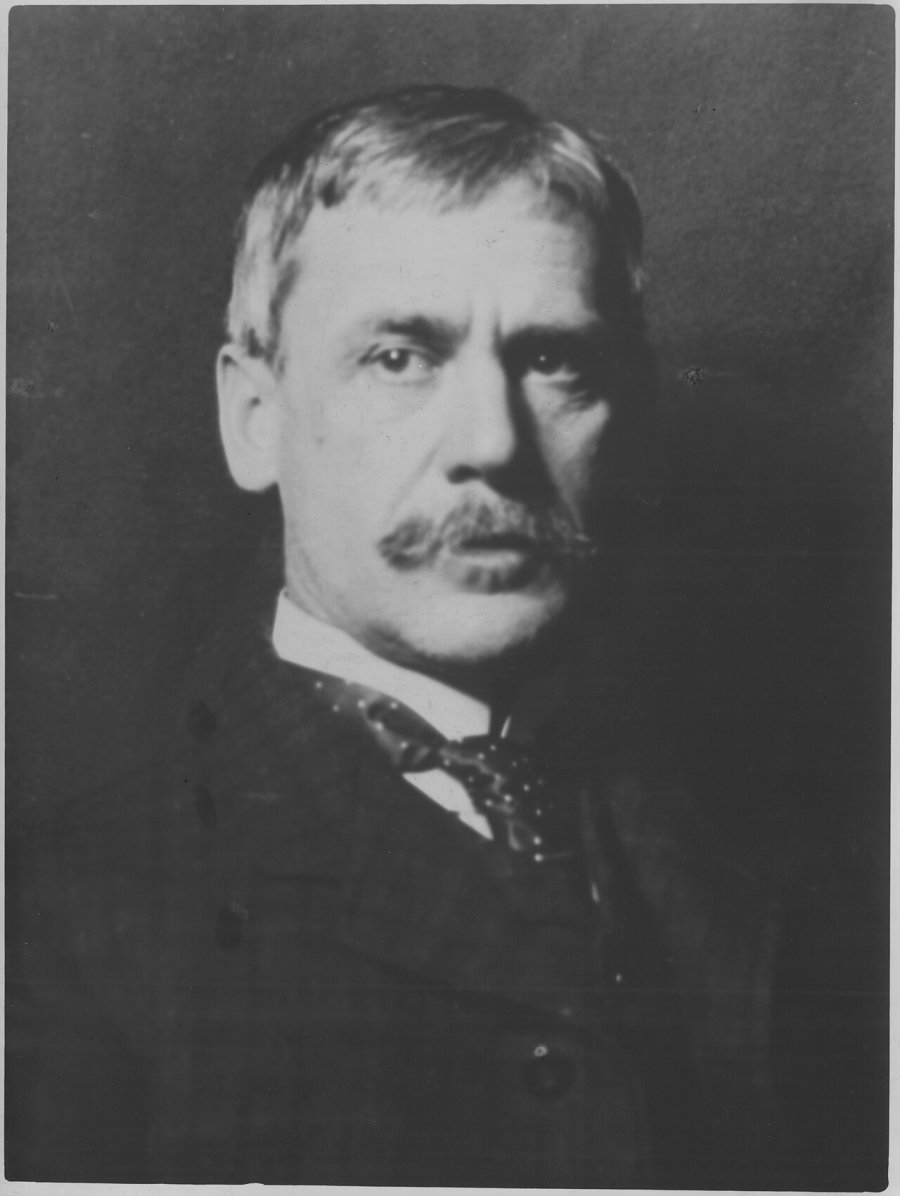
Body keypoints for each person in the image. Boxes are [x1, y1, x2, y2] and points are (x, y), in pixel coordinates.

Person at [6, 84, 868, 1188]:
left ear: (634, 419)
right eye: (400, 356)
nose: (493, 442)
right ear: (255, 419)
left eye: (553, 361)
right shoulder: (56, 930)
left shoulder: (768, 881)